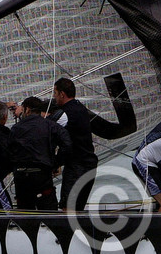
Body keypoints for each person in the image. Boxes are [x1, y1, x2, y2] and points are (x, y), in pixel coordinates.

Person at [47, 76, 126, 211]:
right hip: (89, 165)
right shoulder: (81, 109)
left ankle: (66, 231)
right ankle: (79, 230)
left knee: (68, 208)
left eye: (54, 93)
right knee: (77, 208)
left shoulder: (65, 114)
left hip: (77, 167)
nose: (54, 97)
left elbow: (47, 130)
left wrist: (54, 163)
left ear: (62, 94)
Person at [9, 96, 70, 211]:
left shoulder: (15, 128)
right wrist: (56, 163)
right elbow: (67, 144)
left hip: (21, 178)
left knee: (25, 215)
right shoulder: (51, 125)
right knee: (49, 214)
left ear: (27, 110)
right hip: (42, 176)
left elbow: (9, 151)